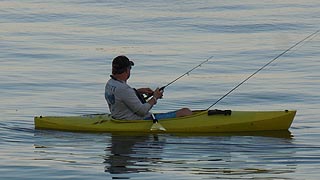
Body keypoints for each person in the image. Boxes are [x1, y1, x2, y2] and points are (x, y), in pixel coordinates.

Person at [105, 55, 192, 120]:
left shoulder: (110, 83)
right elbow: (142, 111)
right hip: (136, 121)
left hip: (119, 117)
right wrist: (155, 97)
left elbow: (120, 96)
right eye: (130, 68)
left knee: (185, 111)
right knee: (185, 112)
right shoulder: (124, 89)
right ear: (127, 70)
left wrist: (137, 92)